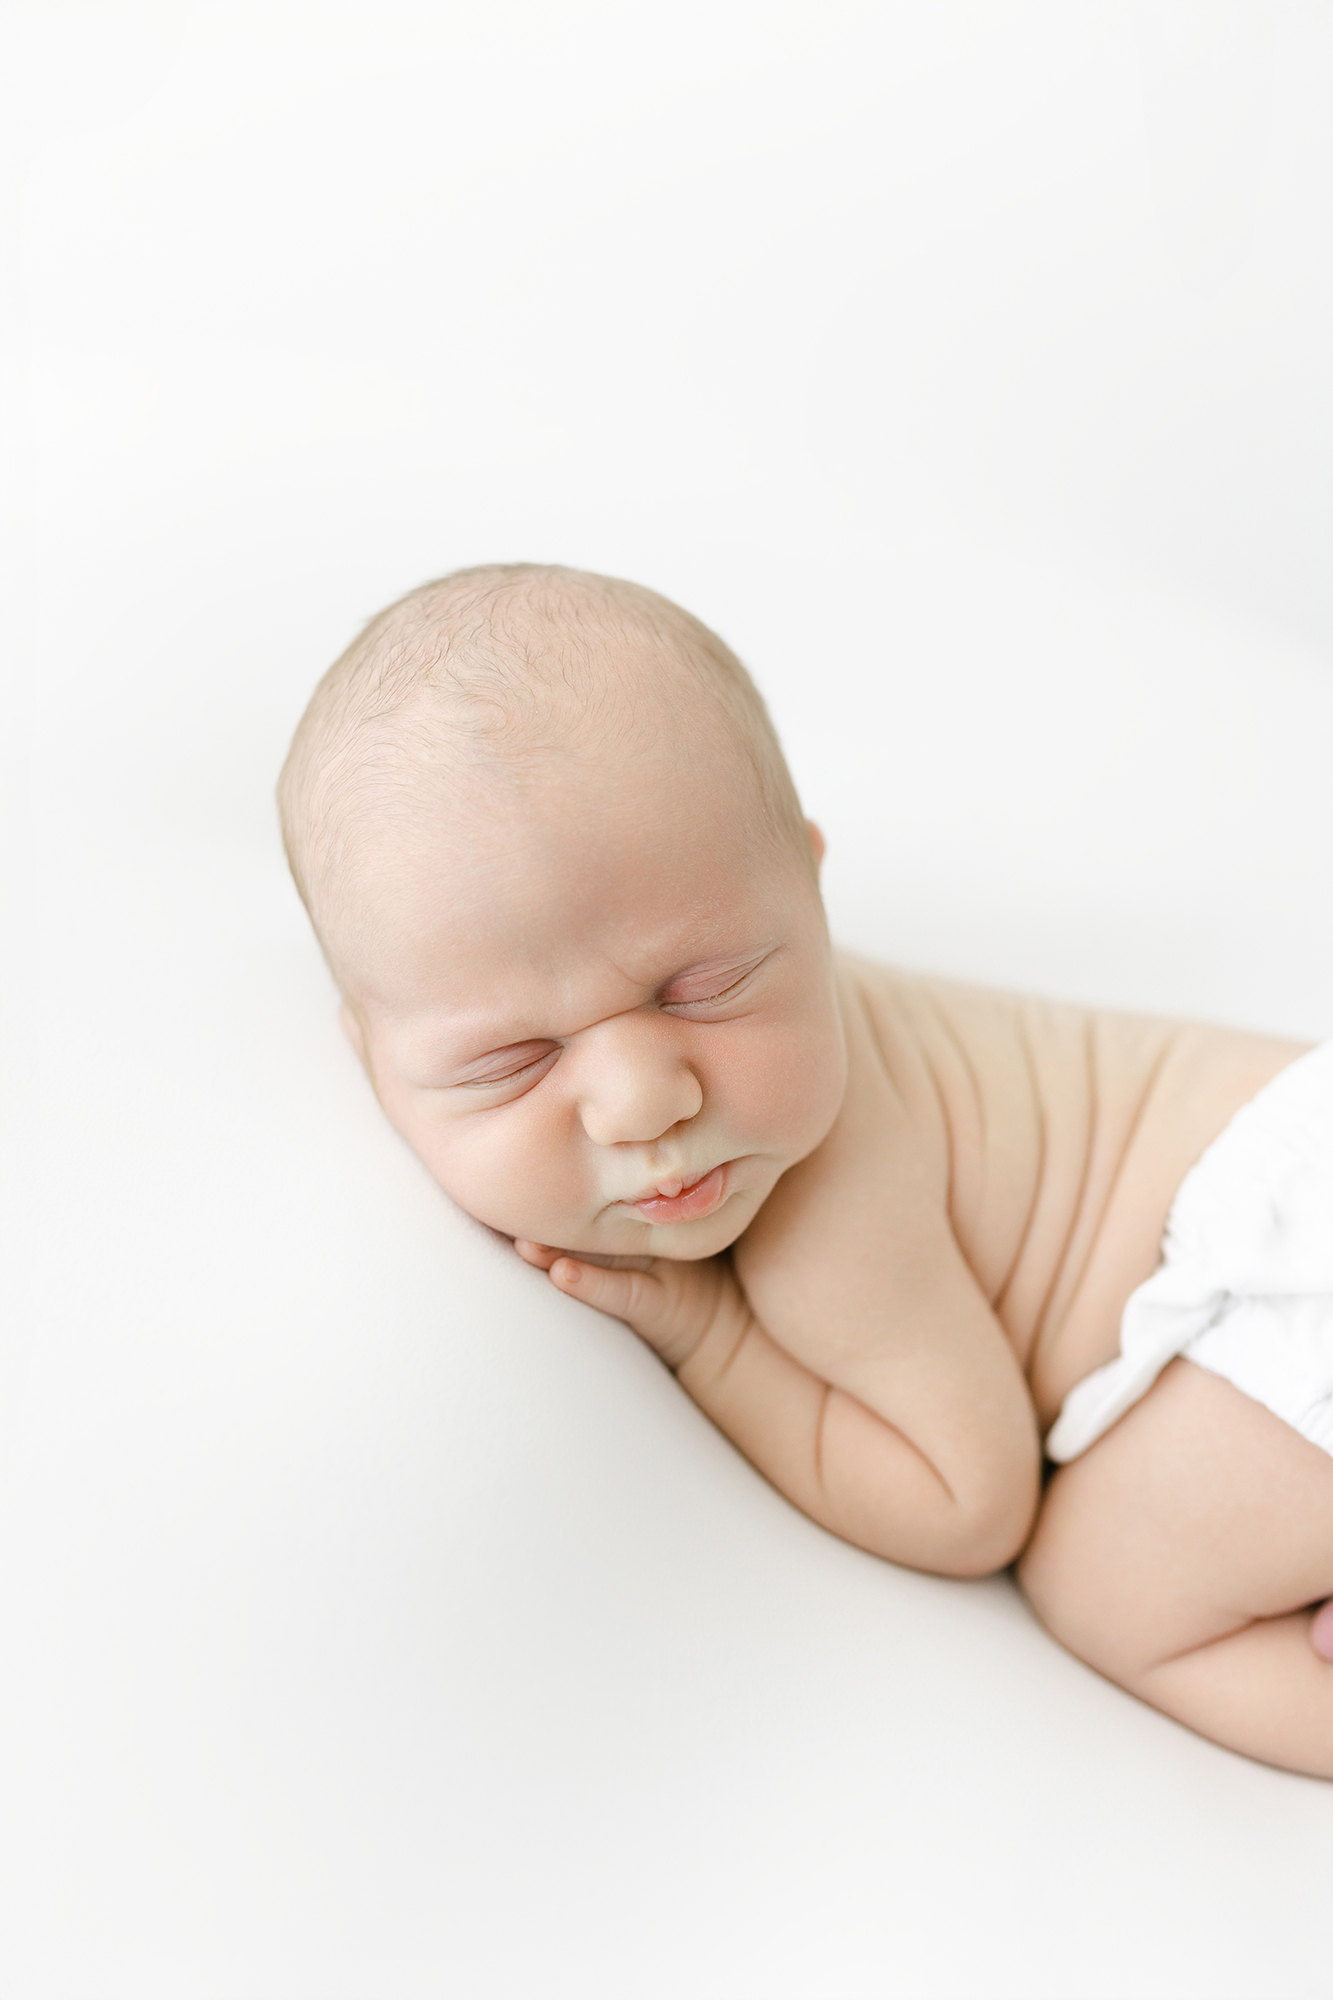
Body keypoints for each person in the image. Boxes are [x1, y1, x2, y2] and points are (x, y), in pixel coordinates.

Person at [278, 562, 1333, 1777]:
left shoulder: (823, 1202)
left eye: (705, 987)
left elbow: (966, 1502)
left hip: (1288, 1276)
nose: (644, 1098)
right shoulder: (728, 965)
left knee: (1104, 1581)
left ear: (809, 897)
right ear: (367, 1052)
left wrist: (710, 1338)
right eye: (511, 1060)